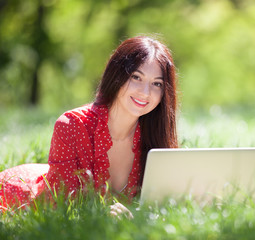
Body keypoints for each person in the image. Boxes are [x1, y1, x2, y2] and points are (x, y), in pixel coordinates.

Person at [0, 36, 178, 213]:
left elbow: (165, 208)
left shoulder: (155, 134)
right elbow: (60, 208)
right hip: (18, 199)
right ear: (116, 75)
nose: (145, 92)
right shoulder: (71, 125)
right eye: (136, 77)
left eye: (157, 83)